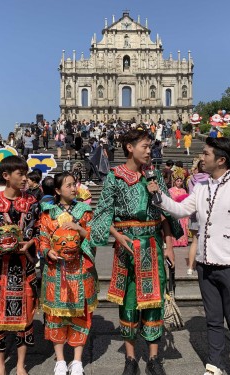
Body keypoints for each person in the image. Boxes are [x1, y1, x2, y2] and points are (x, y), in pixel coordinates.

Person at [149, 137, 230, 375]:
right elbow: (181, 209)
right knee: (212, 319)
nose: (202, 158)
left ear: (221, 160)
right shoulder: (201, 187)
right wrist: (159, 196)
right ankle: (214, 364)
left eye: (207, 154)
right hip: (205, 263)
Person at [89, 128, 181, 375]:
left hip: (152, 244)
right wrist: (117, 235)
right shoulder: (115, 177)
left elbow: (166, 213)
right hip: (126, 246)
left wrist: (169, 245)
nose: (149, 151)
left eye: (150, 147)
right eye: (145, 146)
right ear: (130, 147)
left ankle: (153, 359)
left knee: (154, 301)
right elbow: (103, 212)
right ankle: (130, 359)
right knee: (128, 301)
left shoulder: (155, 176)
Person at [0, 155, 40, 375]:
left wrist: (32, 242)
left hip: (23, 269)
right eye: (20, 174)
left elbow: (41, 231)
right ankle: (1, 366)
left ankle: (21, 365)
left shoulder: (32, 202)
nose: (25, 179)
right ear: (6, 176)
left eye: (25, 174)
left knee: (26, 319)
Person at [40, 172, 97, 375]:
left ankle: (77, 360)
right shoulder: (48, 212)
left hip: (80, 270)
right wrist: (49, 252)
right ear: (57, 190)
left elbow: (94, 236)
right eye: (69, 185)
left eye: (75, 184)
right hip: (56, 271)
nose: (73, 188)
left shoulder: (84, 212)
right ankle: (61, 360)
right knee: (55, 314)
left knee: (81, 313)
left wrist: (79, 230)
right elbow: (43, 239)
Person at [185, 159, 210, 275]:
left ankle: (190, 267)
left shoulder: (192, 179)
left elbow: (190, 195)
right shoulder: (210, 179)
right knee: (207, 240)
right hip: (205, 213)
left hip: (193, 212)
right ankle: (205, 265)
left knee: (194, 242)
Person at [169, 172, 189, 247]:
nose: (179, 182)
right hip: (174, 209)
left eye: (181, 181)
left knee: (182, 225)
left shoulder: (184, 190)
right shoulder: (170, 190)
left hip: (182, 209)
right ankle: (174, 242)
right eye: (178, 181)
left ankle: (182, 242)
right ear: (174, 181)